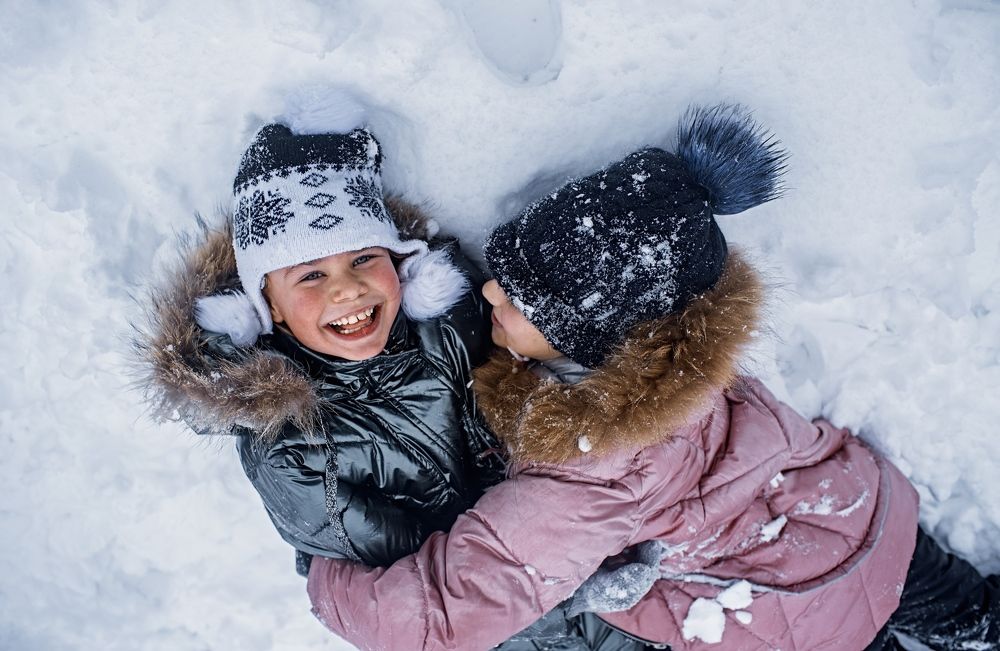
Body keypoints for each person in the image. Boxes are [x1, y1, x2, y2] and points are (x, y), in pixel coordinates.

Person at [304, 105, 1000, 650]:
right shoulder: (687, 361)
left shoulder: (600, 468)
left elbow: (465, 603)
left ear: (590, 342)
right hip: (868, 517)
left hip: (803, 611)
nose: (490, 297)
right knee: (977, 613)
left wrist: (332, 584)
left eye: (515, 302)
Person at [135, 92, 507, 570]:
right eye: (311, 275)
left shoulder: (453, 322)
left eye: (364, 259)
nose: (348, 290)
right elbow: (419, 575)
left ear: (398, 259)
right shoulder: (290, 450)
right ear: (269, 307)